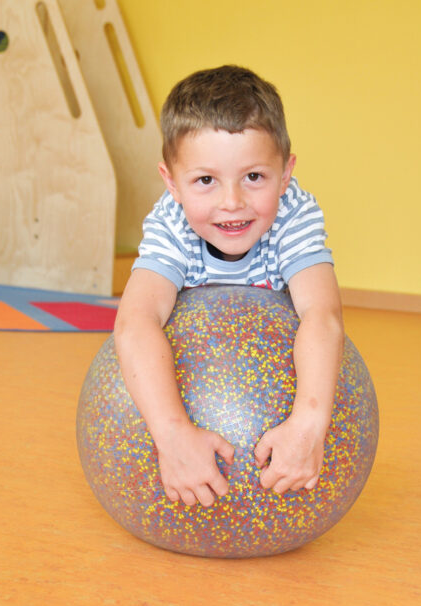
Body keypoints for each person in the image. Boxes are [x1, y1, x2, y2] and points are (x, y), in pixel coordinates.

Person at [114, 65, 344, 508]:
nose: (232, 203)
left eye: (255, 177)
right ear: (171, 183)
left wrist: (310, 424)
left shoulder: (293, 213)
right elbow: (134, 323)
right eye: (205, 181)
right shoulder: (171, 220)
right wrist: (172, 434)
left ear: (286, 172)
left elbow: (322, 314)